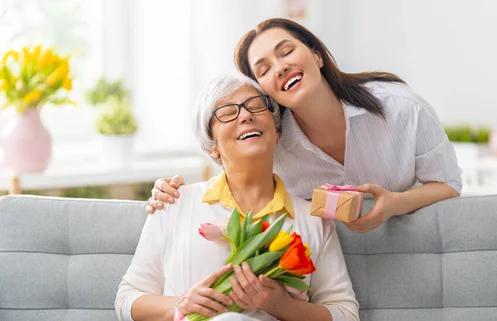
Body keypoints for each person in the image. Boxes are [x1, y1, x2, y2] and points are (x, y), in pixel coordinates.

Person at [146, 18, 462, 233]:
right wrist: (173, 195)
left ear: (316, 55)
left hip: (403, 252)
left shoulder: (402, 108)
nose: (281, 67)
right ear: (262, 89)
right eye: (264, 69)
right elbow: (232, 187)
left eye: (286, 52)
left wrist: (396, 204)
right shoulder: (272, 142)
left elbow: (449, 184)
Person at [115, 74, 358, 321]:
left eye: (256, 106)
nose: (246, 116)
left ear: (277, 133)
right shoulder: (174, 203)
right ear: (211, 145)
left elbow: (346, 315)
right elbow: (126, 300)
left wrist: (281, 305)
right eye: (228, 112)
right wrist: (181, 304)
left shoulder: (313, 220)